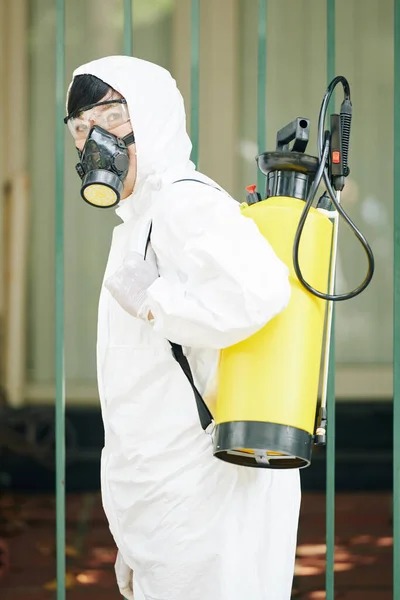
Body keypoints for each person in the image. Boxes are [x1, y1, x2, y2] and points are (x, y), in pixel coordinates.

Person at [64, 55, 301, 600]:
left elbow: (259, 292)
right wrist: (132, 530)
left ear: (154, 115)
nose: (95, 137)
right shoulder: (138, 220)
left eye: (113, 115)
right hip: (164, 505)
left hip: (208, 499)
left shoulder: (183, 200)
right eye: (81, 126)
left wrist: (155, 300)